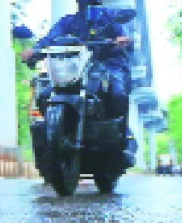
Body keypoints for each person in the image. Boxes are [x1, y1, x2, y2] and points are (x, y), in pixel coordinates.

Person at [22, 0, 136, 164]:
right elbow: (50, 39)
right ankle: (56, 136)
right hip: (76, 68)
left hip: (108, 64)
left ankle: (122, 137)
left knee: (117, 92)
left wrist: (122, 41)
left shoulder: (109, 16)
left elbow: (125, 36)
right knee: (44, 95)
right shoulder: (68, 22)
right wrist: (35, 51)